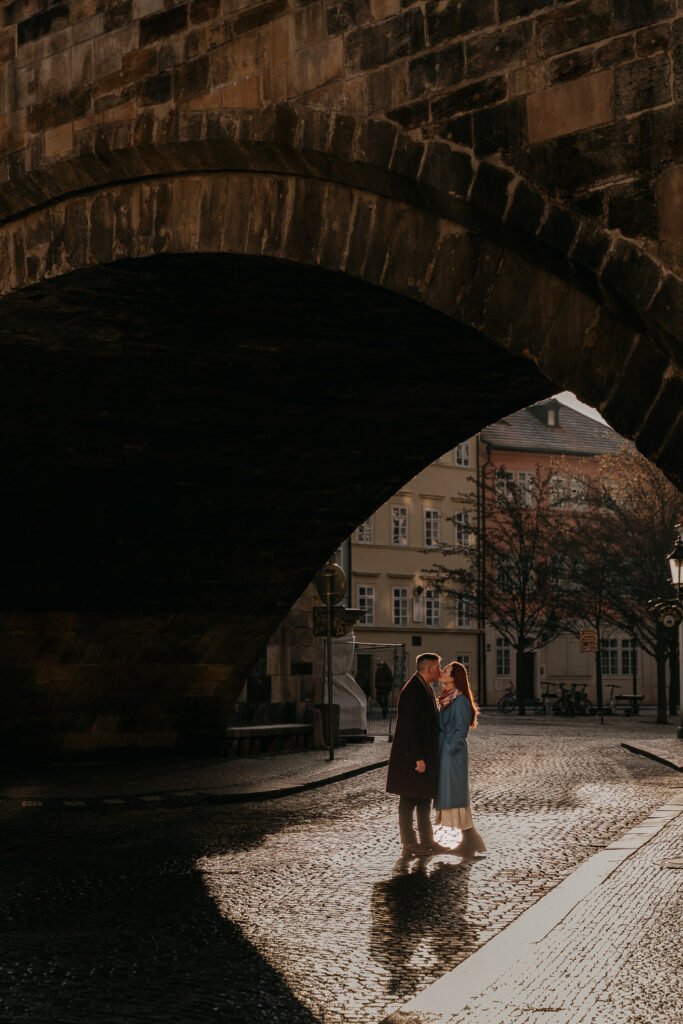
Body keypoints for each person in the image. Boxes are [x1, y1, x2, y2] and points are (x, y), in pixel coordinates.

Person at [386, 652, 453, 857]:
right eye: (438, 667)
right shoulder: (412, 690)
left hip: (424, 755)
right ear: (429, 668)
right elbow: (410, 727)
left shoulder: (424, 687)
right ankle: (409, 842)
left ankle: (427, 840)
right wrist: (418, 757)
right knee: (408, 801)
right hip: (412, 758)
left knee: (423, 799)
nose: (440, 671)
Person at [434, 661, 486, 858]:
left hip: (452, 754)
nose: (442, 672)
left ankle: (470, 839)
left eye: (446, 671)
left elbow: (460, 730)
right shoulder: (448, 698)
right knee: (452, 795)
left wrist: (448, 749)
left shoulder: (461, 700)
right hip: (445, 751)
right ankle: (469, 840)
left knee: (455, 795)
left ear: (454, 678)